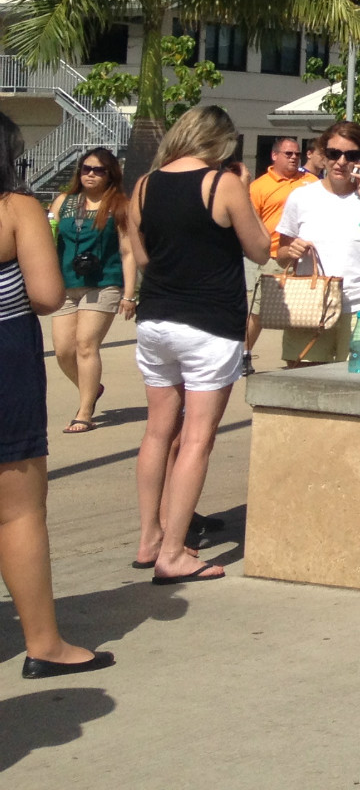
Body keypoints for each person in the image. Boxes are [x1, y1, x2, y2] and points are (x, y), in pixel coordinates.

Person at [128, 105, 271, 582]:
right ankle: (173, 554)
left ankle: (149, 538)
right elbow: (260, 249)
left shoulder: (144, 186)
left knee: (157, 433)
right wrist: (243, 188)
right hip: (209, 322)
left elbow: (143, 256)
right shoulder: (221, 183)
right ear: (220, 142)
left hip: (156, 319)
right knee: (196, 438)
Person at [0, 111, 115, 676]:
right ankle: (44, 644)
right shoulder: (16, 208)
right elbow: (47, 294)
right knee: (17, 512)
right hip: (5, 362)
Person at [274, 120, 360, 365]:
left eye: (351, 155)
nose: (341, 162)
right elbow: (281, 254)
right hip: (310, 306)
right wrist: (292, 250)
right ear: (322, 154)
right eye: (333, 153)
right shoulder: (302, 196)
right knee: (302, 383)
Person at [48, 148, 139, 433]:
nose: (90, 174)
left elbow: (128, 253)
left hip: (103, 284)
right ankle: (92, 388)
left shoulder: (119, 205)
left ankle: (85, 412)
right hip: (65, 284)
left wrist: (128, 294)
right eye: (86, 168)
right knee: (63, 351)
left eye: (98, 170)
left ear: (110, 174)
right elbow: (47, 239)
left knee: (86, 344)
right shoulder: (63, 202)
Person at [240, 136, 312, 374]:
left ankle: (300, 359)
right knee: (258, 312)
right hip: (271, 258)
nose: (293, 158)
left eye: (297, 154)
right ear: (274, 156)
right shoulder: (259, 187)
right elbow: (249, 222)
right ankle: (243, 355)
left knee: (304, 311)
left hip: (305, 258)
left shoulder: (311, 182)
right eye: (288, 154)